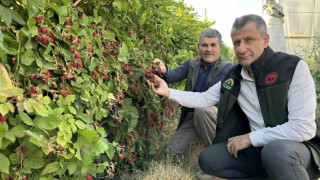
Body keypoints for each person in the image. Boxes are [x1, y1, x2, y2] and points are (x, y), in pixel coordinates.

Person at [148, 14, 319, 180]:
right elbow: (205, 99)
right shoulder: (234, 76)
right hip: (257, 149)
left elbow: (303, 128)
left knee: (275, 152)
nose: (241, 49)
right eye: (237, 42)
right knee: (209, 159)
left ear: (265, 40)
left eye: (248, 40)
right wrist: (168, 92)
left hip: (297, 150)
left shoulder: (292, 68)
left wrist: (250, 138)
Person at [153, 28, 233, 155]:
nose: (208, 49)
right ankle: (200, 140)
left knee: (203, 111)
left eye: (213, 45)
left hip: (214, 117)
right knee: (172, 152)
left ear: (220, 47)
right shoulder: (192, 63)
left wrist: (178, 101)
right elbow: (173, 75)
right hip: (193, 114)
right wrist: (164, 70)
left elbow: (206, 96)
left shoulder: (227, 68)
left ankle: (220, 155)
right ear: (199, 47)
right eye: (204, 45)